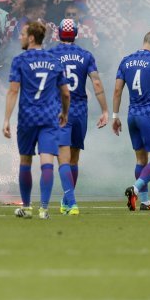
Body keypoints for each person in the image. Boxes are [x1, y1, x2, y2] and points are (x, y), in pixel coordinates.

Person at [3, 20, 70, 220]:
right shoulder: (55, 60)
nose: (20, 37)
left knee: (25, 160)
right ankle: (44, 209)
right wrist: (64, 113)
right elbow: (66, 93)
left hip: (27, 118)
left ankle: (26, 207)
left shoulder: (20, 60)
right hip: (49, 117)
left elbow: (13, 91)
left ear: (31, 37)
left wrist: (6, 119)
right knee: (47, 161)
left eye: (22, 34)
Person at [48, 19, 109, 213]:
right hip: (81, 111)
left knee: (63, 159)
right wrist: (105, 110)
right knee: (74, 159)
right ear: (76, 35)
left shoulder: (51, 55)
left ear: (58, 34)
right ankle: (67, 201)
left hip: (61, 111)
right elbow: (97, 84)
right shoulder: (86, 55)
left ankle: (72, 202)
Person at [112, 31, 150, 212]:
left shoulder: (125, 60)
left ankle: (145, 203)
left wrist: (115, 117)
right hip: (149, 114)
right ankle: (136, 189)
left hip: (132, 116)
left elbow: (117, 91)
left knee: (140, 159)